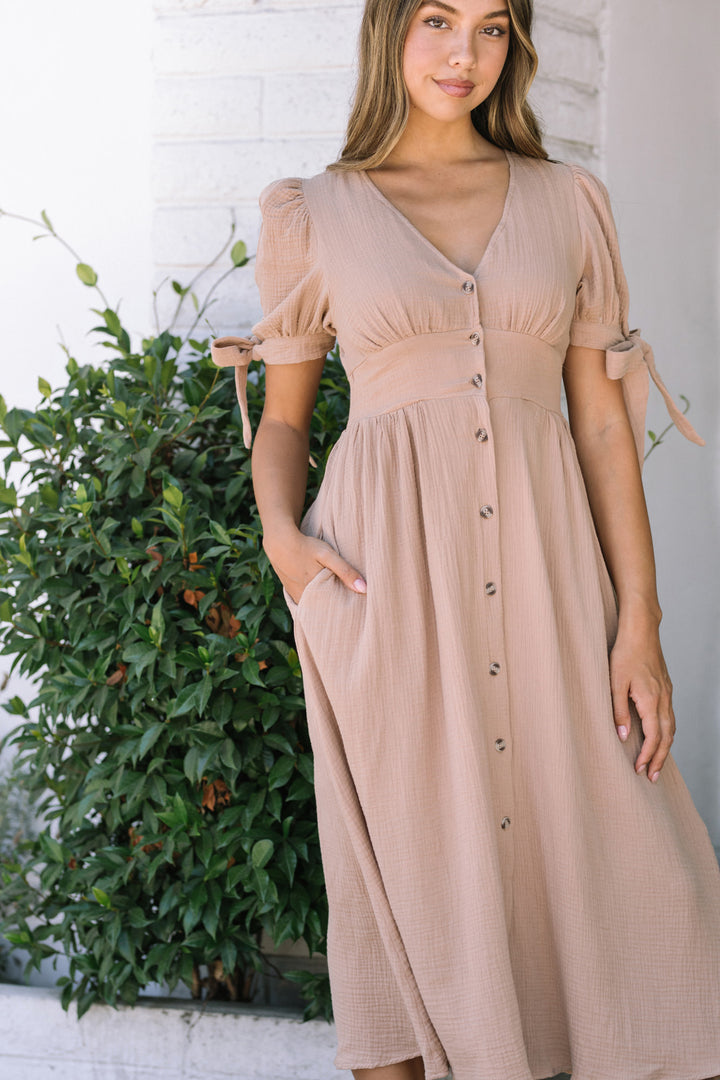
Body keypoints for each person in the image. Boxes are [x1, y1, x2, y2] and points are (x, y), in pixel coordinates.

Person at [211, 2, 720, 1077]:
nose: (464, 53)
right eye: (439, 19)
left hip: (552, 584)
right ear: (389, 29)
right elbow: (291, 415)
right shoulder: (317, 213)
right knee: (409, 882)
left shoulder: (566, 200)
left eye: (493, 27)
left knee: (643, 879)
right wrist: (284, 546)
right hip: (384, 589)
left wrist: (641, 623)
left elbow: (597, 422)